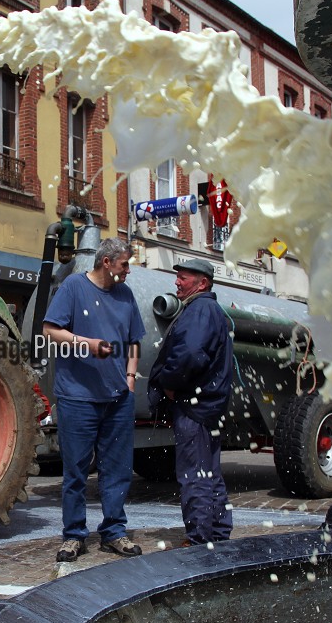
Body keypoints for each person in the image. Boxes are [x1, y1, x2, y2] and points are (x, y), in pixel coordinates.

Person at [42, 237, 145, 561]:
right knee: (76, 471)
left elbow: (133, 342)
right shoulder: (73, 287)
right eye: (125, 264)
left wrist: (130, 379)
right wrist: (87, 344)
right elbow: (49, 331)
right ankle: (74, 535)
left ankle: (114, 531)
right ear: (107, 263)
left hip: (117, 399)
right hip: (77, 398)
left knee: (117, 469)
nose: (128, 271)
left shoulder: (125, 295)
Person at [147, 258, 234, 546]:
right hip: (208, 406)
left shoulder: (200, 310)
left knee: (194, 474)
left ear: (202, 283)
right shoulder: (209, 310)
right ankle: (218, 532)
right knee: (210, 472)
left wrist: (169, 385)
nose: (177, 282)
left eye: (183, 278)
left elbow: (191, 354)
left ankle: (198, 538)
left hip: (193, 407)